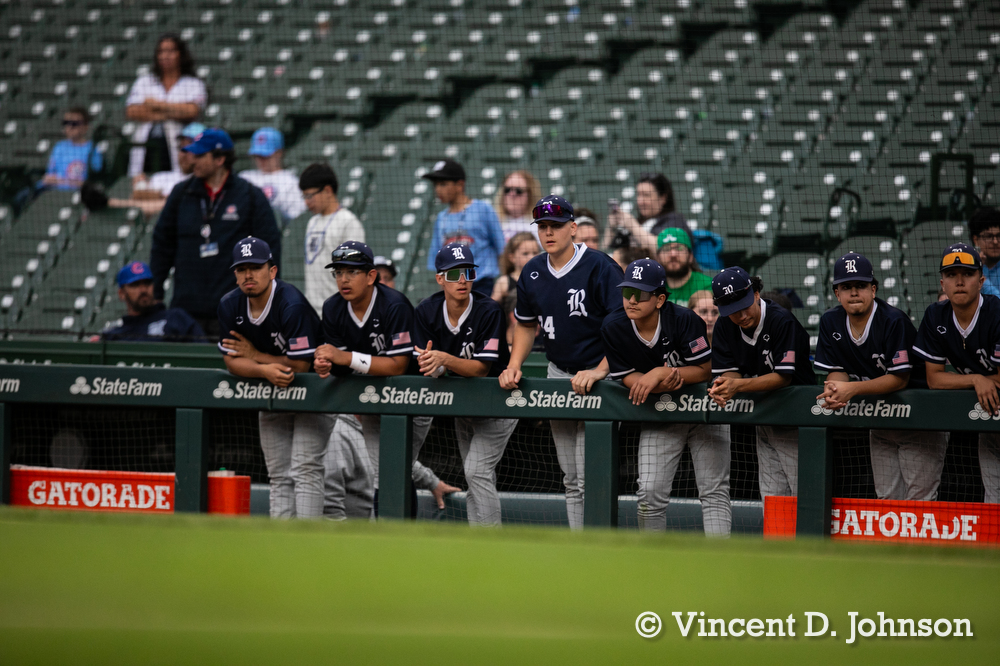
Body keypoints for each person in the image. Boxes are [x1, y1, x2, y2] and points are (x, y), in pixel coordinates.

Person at [498, 195, 624, 529]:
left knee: (590, 473)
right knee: (570, 477)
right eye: (542, 227)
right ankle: (580, 545)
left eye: (555, 225)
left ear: (573, 228)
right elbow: (526, 324)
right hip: (558, 373)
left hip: (601, 377)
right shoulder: (532, 270)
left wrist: (600, 370)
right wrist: (514, 364)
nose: (548, 232)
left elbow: (626, 326)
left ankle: (599, 542)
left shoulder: (601, 266)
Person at [313, 241, 457, 515]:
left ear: (371, 276)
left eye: (352, 272)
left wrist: (345, 357)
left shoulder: (394, 304)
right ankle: (393, 533)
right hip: (372, 399)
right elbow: (339, 366)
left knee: (397, 468)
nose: (343, 279)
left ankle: (398, 532)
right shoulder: (332, 307)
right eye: (338, 272)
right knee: (383, 472)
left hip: (412, 397)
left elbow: (398, 366)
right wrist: (326, 364)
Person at [601, 259, 731, 535]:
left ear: (660, 299)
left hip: (704, 407)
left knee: (714, 491)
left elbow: (705, 370)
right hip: (661, 412)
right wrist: (655, 384)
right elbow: (626, 376)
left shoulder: (685, 319)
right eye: (627, 292)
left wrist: (661, 372)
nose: (632, 300)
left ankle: (720, 555)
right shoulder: (613, 325)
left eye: (640, 294)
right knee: (649, 492)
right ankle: (652, 555)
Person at [815, 253, 948, 501]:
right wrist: (835, 388)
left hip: (918, 419)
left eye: (861, 285)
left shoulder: (893, 320)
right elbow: (837, 369)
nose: (854, 292)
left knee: (919, 501)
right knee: (886, 500)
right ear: (837, 293)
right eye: (846, 287)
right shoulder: (831, 321)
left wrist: (851, 389)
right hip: (880, 421)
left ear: (873, 289)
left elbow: (899, 379)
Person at [217, 237, 331, 519]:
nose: (248, 275)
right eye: (241, 269)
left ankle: (307, 536)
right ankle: (283, 537)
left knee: (305, 468)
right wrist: (262, 370)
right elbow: (231, 360)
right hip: (272, 391)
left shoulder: (291, 304)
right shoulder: (229, 305)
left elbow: (300, 366)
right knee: (279, 473)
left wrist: (256, 356)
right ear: (235, 274)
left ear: (272, 271)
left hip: (314, 392)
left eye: (255, 267)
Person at [414, 243, 518, 526]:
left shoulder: (488, 309)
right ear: (439, 278)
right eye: (453, 274)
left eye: (468, 273)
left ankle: (490, 540)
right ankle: (478, 537)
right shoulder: (426, 310)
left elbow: (481, 369)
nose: (462, 280)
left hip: (499, 401)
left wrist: (444, 360)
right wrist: (434, 365)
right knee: (476, 475)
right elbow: (428, 367)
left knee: (476, 471)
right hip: (465, 406)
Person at [150, 127, 282, 336]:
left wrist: (266, 299)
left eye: (200, 155)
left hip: (234, 311)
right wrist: (156, 292)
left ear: (220, 159)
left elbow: (270, 249)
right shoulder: (181, 194)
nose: (192, 160)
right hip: (185, 311)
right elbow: (161, 246)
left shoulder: (250, 196)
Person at [708, 267, 815, 498]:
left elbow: (783, 377)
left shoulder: (781, 320)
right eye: (733, 311)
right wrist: (724, 386)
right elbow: (729, 373)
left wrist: (737, 386)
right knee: (772, 496)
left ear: (756, 294)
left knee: (802, 493)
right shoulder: (725, 324)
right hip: (764, 417)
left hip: (797, 417)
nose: (741, 315)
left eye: (744, 306)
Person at [914, 243, 1000, 504]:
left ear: (981, 280)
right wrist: (976, 379)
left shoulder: (996, 313)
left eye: (968, 274)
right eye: (951, 275)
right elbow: (934, 379)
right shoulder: (935, 315)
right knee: (994, 496)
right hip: (991, 413)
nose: (959, 281)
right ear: (942, 283)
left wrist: (982, 380)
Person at [126, 33, 207, 177]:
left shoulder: (193, 83)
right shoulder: (145, 81)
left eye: (171, 51)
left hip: (177, 146)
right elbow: (132, 111)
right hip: (146, 145)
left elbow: (191, 111)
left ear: (181, 54)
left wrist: (156, 105)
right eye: (161, 51)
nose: (165, 56)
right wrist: (173, 111)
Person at [424, 159, 506, 298]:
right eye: (436, 185)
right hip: (453, 287)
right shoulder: (441, 218)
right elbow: (439, 263)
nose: (438, 189)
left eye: (443, 184)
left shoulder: (483, 209)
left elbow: (502, 249)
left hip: (483, 286)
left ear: (460, 185)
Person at [299, 163, 365, 314]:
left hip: (338, 312)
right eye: (304, 196)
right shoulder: (312, 222)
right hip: (311, 311)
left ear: (328, 190)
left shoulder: (348, 222)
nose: (306, 202)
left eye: (310, 196)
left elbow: (355, 272)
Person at [108, 122, 205, 216]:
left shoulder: (201, 182)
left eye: (189, 149)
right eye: (181, 148)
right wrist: (139, 187)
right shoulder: (160, 177)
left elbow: (169, 207)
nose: (183, 154)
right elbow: (135, 198)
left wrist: (114, 203)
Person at [100, 261, 204, 341]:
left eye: (147, 283)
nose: (143, 290)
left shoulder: (176, 318)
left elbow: (204, 353)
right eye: (135, 285)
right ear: (121, 294)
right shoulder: (114, 337)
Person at [239, 127, 307, 228]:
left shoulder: (291, 182)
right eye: (258, 156)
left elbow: (295, 219)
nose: (261, 160)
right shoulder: (244, 178)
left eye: (265, 155)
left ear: (279, 153)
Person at [603, 173, 685, 253]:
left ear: (663, 198)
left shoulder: (674, 221)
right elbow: (605, 253)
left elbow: (665, 251)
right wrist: (611, 229)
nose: (640, 201)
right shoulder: (638, 222)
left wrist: (633, 226)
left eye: (646, 195)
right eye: (638, 195)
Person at [40, 107, 103, 191]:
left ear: (85, 127)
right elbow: (48, 178)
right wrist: (68, 181)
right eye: (66, 123)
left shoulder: (93, 149)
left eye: (74, 123)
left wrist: (60, 181)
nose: (69, 127)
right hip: (55, 194)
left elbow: (92, 182)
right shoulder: (59, 147)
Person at [656, 227, 713, 306]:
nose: (673, 254)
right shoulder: (652, 288)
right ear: (658, 258)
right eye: (666, 249)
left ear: (690, 256)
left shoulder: (708, 287)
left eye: (679, 248)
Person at [491, 231, 540, 305]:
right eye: (525, 253)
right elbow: (491, 306)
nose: (531, 257)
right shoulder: (504, 282)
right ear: (512, 257)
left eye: (535, 253)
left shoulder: (543, 279)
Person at [493, 170, 541, 243]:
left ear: (530, 194)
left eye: (518, 191)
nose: (512, 194)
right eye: (507, 190)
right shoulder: (493, 224)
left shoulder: (540, 226)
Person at [968, 206, 1000, 297]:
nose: (995, 241)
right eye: (989, 236)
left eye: (999, 236)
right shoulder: (966, 268)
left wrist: (979, 275)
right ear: (976, 240)